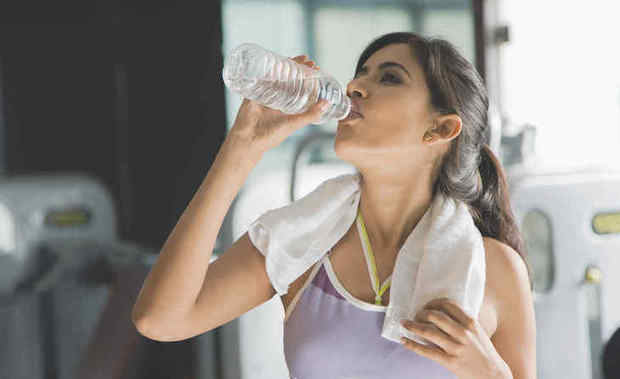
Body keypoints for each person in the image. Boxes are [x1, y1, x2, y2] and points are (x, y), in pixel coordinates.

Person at [131, 32, 536, 379]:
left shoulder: (495, 270)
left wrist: (491, 373)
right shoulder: (304, 245)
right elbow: (160, 319)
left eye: (389, 77)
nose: (354, 87)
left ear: (440, 128)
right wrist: (242, 146)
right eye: (360, 74)